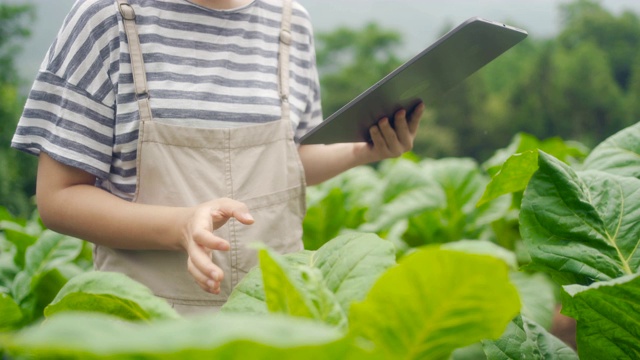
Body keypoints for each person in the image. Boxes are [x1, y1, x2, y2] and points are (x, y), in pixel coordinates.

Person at [11, 0, 424, 315]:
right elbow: (58, 198)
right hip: (147, 327)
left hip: (276, 323)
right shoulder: (107, 19)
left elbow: (286, 161)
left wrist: (361, 151)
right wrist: (179, 226)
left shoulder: (289, 21)